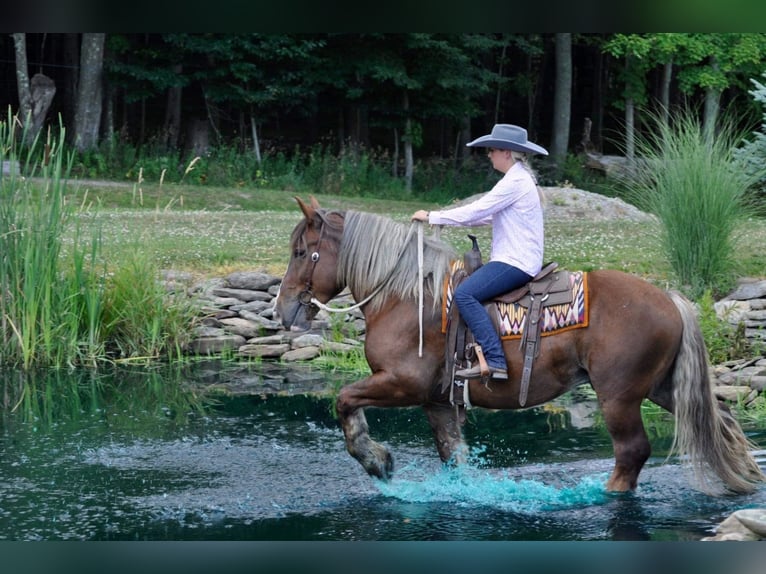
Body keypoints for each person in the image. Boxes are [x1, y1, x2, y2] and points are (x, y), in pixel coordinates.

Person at [411, 123, 547, 379]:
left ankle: (495, 359)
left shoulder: (515, 182)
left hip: (515, 262)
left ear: (507, 152)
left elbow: (478, 210)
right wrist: (445, 219)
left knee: (464, 295)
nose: (489, 155)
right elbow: (486, 217)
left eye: (492, 150)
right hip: (518, 258)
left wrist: (433, 217)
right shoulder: (518, 179)